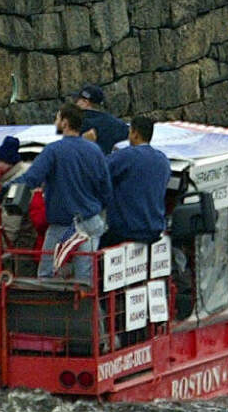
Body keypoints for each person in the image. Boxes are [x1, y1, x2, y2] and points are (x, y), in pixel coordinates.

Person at [12, 104, 111, 280]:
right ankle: (85, 306)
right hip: (90, 222)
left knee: (46, 274)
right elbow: (106, 190)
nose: (55, 122)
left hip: (63, 225)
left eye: (57, 118)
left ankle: (51, 305)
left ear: (65, 123)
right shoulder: (95, 151)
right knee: (85, 278)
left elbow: (31, 178)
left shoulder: (53, 151)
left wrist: (5, 188)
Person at [102, 116, 170, 246]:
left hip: (126, 231)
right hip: (154, 231)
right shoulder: (163, 160)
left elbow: (98, 172)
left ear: (135, 133)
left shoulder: (125, 156)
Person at [74, 84, 129, 153]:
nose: (75, 103)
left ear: (85, 102)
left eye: (76, 100)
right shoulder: (114, 122)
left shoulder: (74, 122)